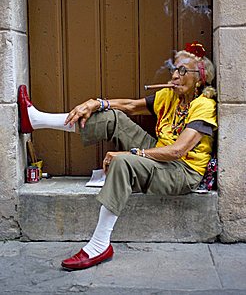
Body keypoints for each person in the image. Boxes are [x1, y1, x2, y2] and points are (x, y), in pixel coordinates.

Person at [18, 41, 217, 271]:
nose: (174, 76)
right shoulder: (169, 96)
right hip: (159, 151)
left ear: (200, 79)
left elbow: (177, 151)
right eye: (174, 69)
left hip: (182, 170)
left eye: (183, 71)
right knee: (111, 116)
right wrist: (96, 103)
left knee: (123, 162)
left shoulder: (204, 106)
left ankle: (99, 245)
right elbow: (131, 106)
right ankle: (35, 120)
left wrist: (134, 154)